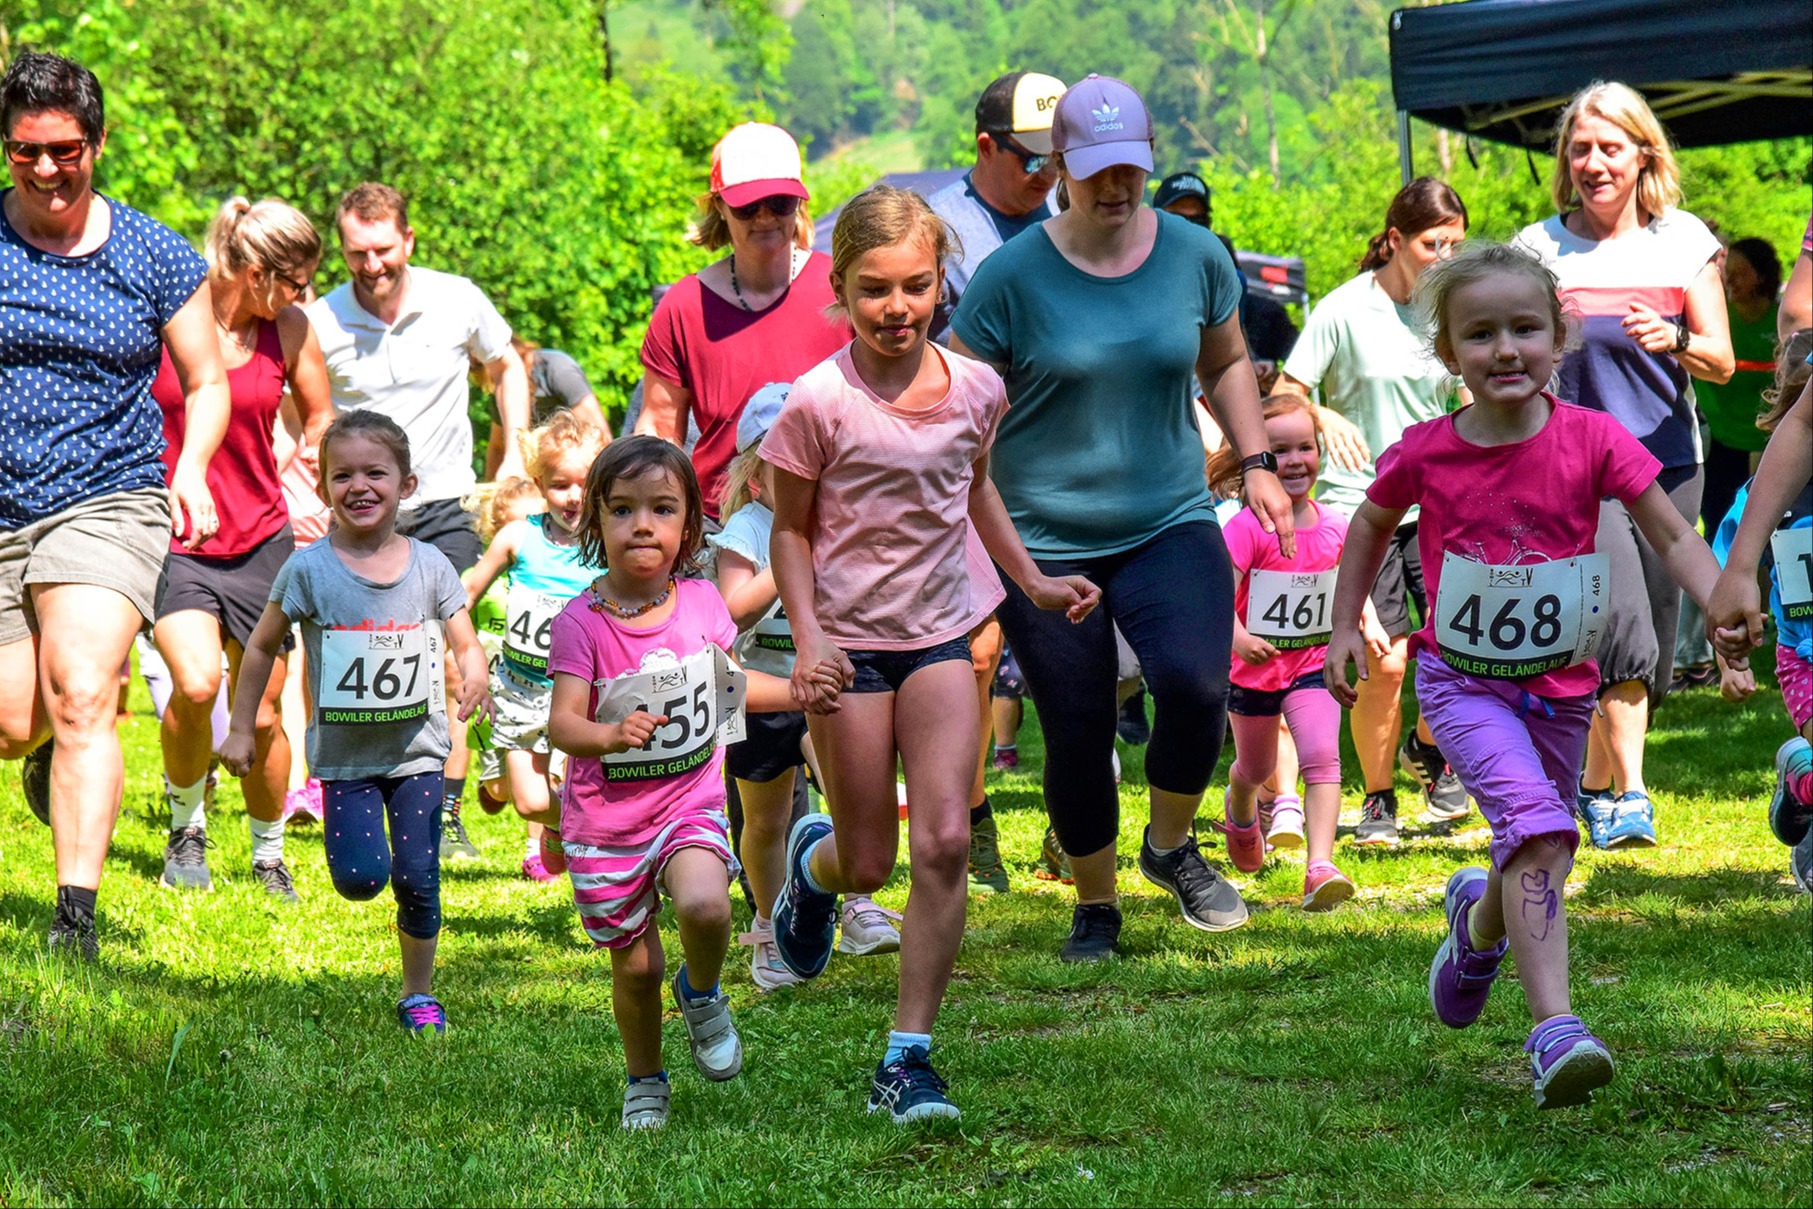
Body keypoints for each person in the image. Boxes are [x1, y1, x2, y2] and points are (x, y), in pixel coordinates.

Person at [1325, 241, 1725, 1109]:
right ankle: (1554, 1031)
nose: (1504, 349)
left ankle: (1475, 928)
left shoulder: (1593, 438)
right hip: (1461, 684)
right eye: (1480, 334)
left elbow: (1667, 532)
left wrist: (1718, 597)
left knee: (1529, 842)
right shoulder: (1425, 449)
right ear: (1447, 354)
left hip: (1559, 686)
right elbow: (1367, 524)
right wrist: (1343, 621)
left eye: (1524, 329)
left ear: (1559, 336)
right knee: (1543, 831)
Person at [764, 186, 1100, 1121]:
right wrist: (811, 636)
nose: (897, 308)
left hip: (943, 632)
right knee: (868, 861)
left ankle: (905, 1057)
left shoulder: (977, 389)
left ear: (940, 284)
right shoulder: (817, 401)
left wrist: (1030, 583)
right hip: (848, 649)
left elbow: (975, 489)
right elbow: (788, 533)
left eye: (915, 286)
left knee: (945, 839)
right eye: (874, 289)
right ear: (839, 288)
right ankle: (812, 867)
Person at [949, 75, 1293, 961]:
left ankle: (1170, 845)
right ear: (1058, 164)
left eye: (1129, 169)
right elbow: (957, 402)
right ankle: (1095, 904)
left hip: (1167, 517)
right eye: (1095, 170)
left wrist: (1253, 462)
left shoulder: (1193, 255)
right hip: (1045, 539)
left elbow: (1224, 361)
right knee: (1075, 722)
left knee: (1192, 684)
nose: (1115, 187)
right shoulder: (1009, 278)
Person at [0, 52, 230, 959]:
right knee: (19, 719)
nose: (45, 170)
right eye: (24, 152)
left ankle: (74, 922)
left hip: (109, 493)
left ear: (98, 142)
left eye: (63, 150)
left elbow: (207, 379)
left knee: (87, 689)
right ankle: (57, 751)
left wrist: (194, 466)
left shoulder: (152, 253)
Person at [546, 437, 827, 1130]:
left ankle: (701, 992)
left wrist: (796, 685)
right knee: (635, 970)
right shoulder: (579, 623)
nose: (642, 524)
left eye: (661, 509)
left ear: (688, 526)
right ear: (595, 522)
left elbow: (727, 688)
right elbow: (561, 724)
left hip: (686, 805)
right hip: (604, 825)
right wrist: (608, 734)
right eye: (622, 509)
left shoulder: (703, 604)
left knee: (705, 905)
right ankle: (645, 1078)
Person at [220, 410, 492, 1034]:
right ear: (322, 489)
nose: (359, 486)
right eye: (343, 475)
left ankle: (417, 994)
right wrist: (240, 728)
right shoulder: (308, 569)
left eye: (376, 472)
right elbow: (261, 646)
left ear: (408, 485)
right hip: (346, 760)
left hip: (419, 751)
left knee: (419, 875)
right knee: (362, 878)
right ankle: (371, 883)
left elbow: (464, 640)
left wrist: (473, 673)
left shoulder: (431, 567)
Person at [1513, 81, 1734, 849]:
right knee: (1614, 621)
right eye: (1579, 148)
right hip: (1574, 466)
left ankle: (1598, 782)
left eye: (1609, 147)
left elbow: (1721, 360)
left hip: (1668, 462)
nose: (1593, 163)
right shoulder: (1535, 248)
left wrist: (1672, 338)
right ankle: (1631, 794)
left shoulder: (1681, 242)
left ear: (1643, 153)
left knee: (1654, 627)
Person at [308, 181, 532, 860]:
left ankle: (446, 809)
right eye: (355, 253)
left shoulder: (455, 298)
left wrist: (517, 447)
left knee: (444, 652)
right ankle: (362, 789)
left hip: (446, 502)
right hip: (361, 516)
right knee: (365, 654)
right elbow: (303, 408)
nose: (370, 265)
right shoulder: (321, 320)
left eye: (382, 250)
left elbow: (506, 366)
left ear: (407, 240)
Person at [1276, 178, 1472, 844]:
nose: (1443, 255)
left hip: (1434, 504)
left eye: (1454, 243)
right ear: (1393, 240)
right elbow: (1284, 392)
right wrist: (1320, 411)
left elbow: (1467, 393)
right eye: (1430, 243)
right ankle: (1379, 797)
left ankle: (1426, 747)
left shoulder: (1449, 309)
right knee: (1384, 662)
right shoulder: (1341, 310)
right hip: (1358, 506)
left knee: (1460, 645)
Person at [150, 196, 334, 900]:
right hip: (179, 537)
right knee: (196, 685)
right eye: (295, 281)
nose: (302, 296)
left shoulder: (287, 329)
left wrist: (316, 467)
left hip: (263, 536)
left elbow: (320, 416)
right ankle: (187, 829)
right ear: (256, 271)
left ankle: (267, 853)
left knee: (260, 710)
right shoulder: (172, 317)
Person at [926, 69, 1067, 898]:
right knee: (978, 652)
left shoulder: (1069, 218)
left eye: (1059, 159)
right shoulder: (942, 228)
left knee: (1078, 651)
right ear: (985, 146)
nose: (1048, 175)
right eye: (1032, 160)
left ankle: (1069, 821)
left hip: (1056, 466)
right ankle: (973, 817)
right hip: (962, 475)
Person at [711, 382, 901, 991]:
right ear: (758, 477)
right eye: (785, 462)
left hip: (829, 684)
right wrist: (787, 556)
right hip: (758, 695)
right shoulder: (745, 528)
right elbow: (731, 610)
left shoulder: (843, 521)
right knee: (763, 821)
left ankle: (855, 902)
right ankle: (770, 925)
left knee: (852, 795)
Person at [1207, 395, 1388, 908]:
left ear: (1320, 452)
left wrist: (1367, 622)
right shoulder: (1245, 528)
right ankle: (1241, 805)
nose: (1293, 460)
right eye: (1278, 450)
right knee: (1256, 767)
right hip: (1254, 672)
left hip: (1313, 665)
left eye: (1304, 447)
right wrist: (1238, 637)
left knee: (1322, 757)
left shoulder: (1335, 524)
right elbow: (1219, 595)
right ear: (1257, 460)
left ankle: (1320, 865)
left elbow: (1350, 583)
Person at [635, 122, 847, 524]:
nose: (765, 217)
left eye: (780, 202)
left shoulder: (842, 288)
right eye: (748, 206)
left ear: (799, 202)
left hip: (834, 522)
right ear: (719, 207)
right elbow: (660, 429)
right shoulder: (685, 306)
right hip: (722, 529)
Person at [462, 411, 608, 880]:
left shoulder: (608, 543)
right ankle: (563, 825)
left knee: (582, 786)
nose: (573, 497)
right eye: (559, 484)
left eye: (585, 484)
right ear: (539, 482)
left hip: (584, 695)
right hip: (519, 689)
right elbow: (461, 598)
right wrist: (466, 658)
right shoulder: (517, 537)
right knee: (528, 801)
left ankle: (601, 833)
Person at [1712, 335, 1813, 892]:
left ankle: (1802, 781)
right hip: (1804, 657)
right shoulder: (1767, 498)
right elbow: (1726, 578)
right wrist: (1731, 659)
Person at [1674, 238, 1783, 689]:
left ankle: (1777, 631)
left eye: (1738, 271)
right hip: (1722, 444)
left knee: (1771, 543)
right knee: (1721, 539)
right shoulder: (1721, 320)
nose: (1729, 279)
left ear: (1761, 274)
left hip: (1771, 445)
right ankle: (1720, 646)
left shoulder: (1780, 319)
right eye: (1726, 270)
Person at [482, 336, 611, 478]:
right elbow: (497, 447)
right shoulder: (501, 390)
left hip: (576, 467)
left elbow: (600, 434)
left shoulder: (559, 370)